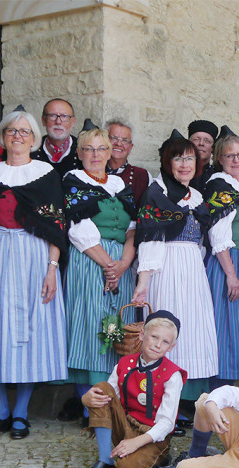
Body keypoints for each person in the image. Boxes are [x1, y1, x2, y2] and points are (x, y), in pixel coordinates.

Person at [0, 106, 67, 439]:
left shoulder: (44, 175)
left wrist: (52, 269)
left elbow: (57, 226)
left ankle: (20, 412)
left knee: (30, 330)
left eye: (24, 132)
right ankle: (0, 411)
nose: (17, 137)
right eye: (11, 131)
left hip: (34, 254)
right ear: (3, 137)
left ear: (35, 139)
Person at [132, 129, 218, 402]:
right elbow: (149, 239)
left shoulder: (197, 196)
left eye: (190, 159)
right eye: (178, 159)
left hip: (193, 270)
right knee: (167, 325)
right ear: (168, 163)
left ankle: (190, 397)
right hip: (165, 267)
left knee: (193, 328)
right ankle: (164, 397)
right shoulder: (156, 193)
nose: (184, 165)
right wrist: (143, 284)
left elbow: (202, 242)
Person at [63, 120, 137, 420]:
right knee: (92, 326)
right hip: (90, 260)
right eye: (89, 149)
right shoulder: (74, 179)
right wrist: (109, 265)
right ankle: (92, 405)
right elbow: (78, 228)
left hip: (121, 263)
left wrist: (124, 263)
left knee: (116, 327)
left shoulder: (119, 184)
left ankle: (113, 399)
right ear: (79, 153)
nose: (95, 154)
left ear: (111, 153)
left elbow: (134, 228)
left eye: (101, 148)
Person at [75, 311, 187, 468]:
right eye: (154, 337)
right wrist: (85, 399)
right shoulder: (124, 363)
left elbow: (166, 423)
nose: (158, 345)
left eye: (165, 342)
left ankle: (157, 457)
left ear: (171, 347)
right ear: (142, 334)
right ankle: (106, 461)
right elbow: (108, 396)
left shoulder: (172, 375)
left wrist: (136, 443)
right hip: (126, 425)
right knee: (101, 388)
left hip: (153, 435)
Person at [204, 132, 239, 390]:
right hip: (231, 260)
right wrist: (230, 273)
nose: (236, 159)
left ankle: (236, 395)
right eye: (230, 155)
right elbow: (218, 233)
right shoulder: (219, 184)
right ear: (219, 159)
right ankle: (218, 393)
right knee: (226, 327)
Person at [30, 98, 81, 178]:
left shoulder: (83, 150)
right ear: (43, 120)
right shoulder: (31, 150)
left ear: (73, 122)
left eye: (64, 116)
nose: (58, 122)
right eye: (52, 116)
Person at [105, 119, 150, 207]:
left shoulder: (142, 176)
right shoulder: (94, 172)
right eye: (113, 138)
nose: (118, 143)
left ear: (130, 147)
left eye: (125, 140)